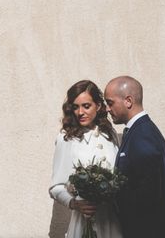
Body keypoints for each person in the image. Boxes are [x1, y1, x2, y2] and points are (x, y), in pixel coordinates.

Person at [104, 76, 165, 238]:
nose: (107, 109)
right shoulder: (139, 131)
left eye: (110, 103)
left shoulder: (143, 136)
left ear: (128, 101)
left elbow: (147, 198)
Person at [50, 80, 123, 238]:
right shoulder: (66, 138)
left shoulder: (109, 134)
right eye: (75, 107)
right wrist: (75, 204)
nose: (80, 112)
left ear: (98, 106)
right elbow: (56, 187)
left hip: (112, 221)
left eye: (86, 106)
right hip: (85, 222)